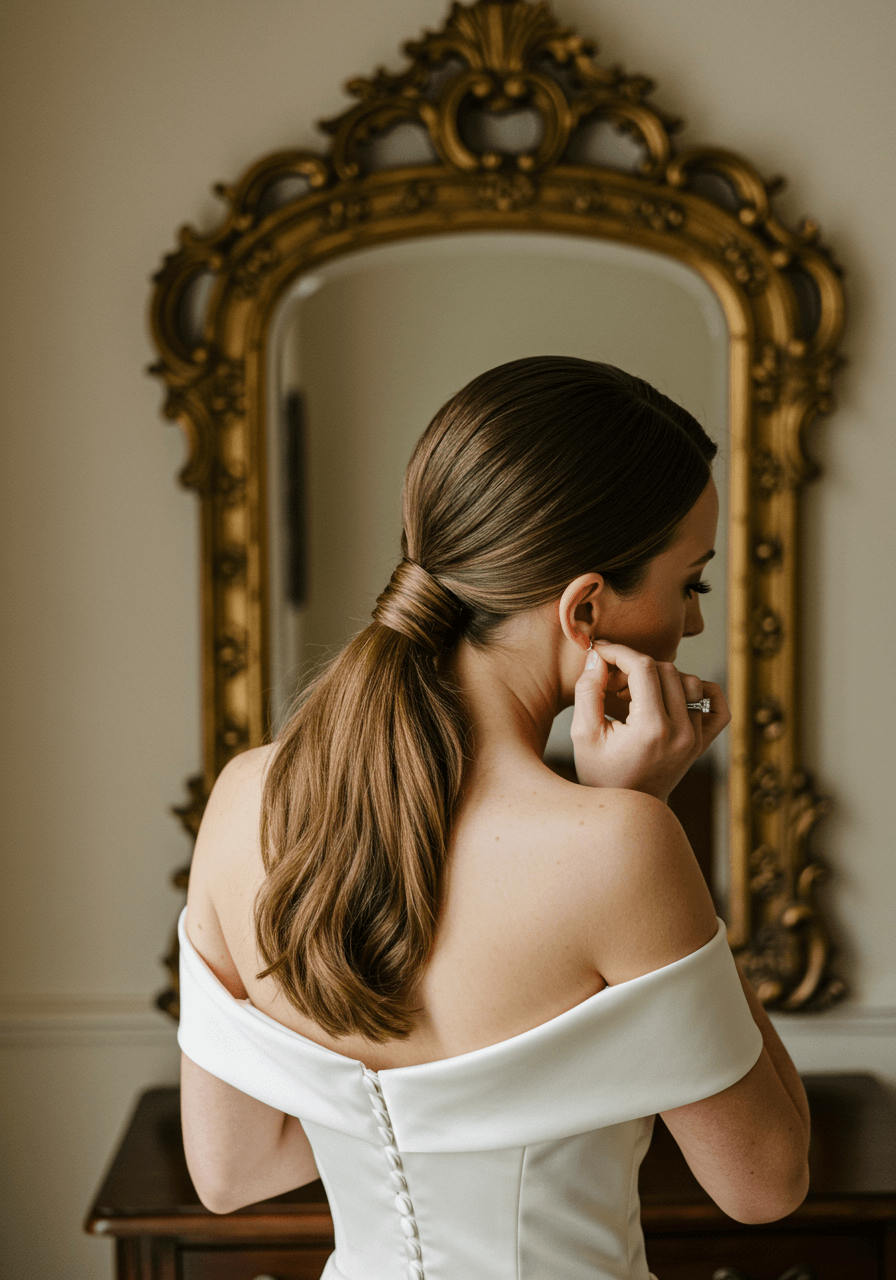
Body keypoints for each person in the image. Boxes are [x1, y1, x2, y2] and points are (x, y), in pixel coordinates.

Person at [178, 357, 810, 1280]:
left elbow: (233, 1171)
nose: (695, 625)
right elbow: (769, 1182)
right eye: (693, 583)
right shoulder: (618, 846)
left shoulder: (243, 800)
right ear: (587, 609)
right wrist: (640, 813)